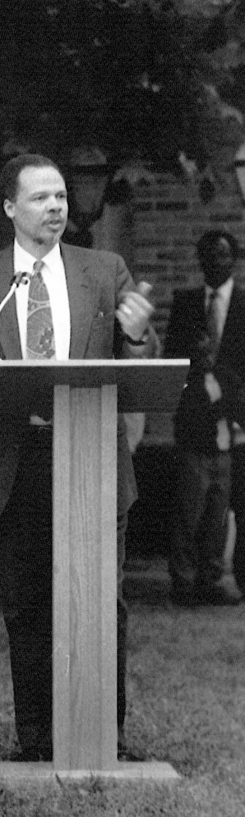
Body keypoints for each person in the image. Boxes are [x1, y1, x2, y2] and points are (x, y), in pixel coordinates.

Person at [0, 153, 160, 763]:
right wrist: (3, 387)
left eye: (61, 196)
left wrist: (139, 334)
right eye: (41, 198)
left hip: (91, 457)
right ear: (10, 208)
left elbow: (138, 359)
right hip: (18, 459)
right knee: (28, 600)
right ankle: (35, 737)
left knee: (102, 600)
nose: (56, 207)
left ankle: (102, 736)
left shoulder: (104, 269)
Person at [164, 230, 244, 606]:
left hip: (234, 425)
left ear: (235, 259)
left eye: (225, 255)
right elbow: (171, 362)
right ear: (200, 261)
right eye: (210, 256)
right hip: (193, 424)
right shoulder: (185, 304)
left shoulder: (244, 304)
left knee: (220, 507)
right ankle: (183, 578)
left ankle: (214, 576)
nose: (217, 262)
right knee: (188, 507)